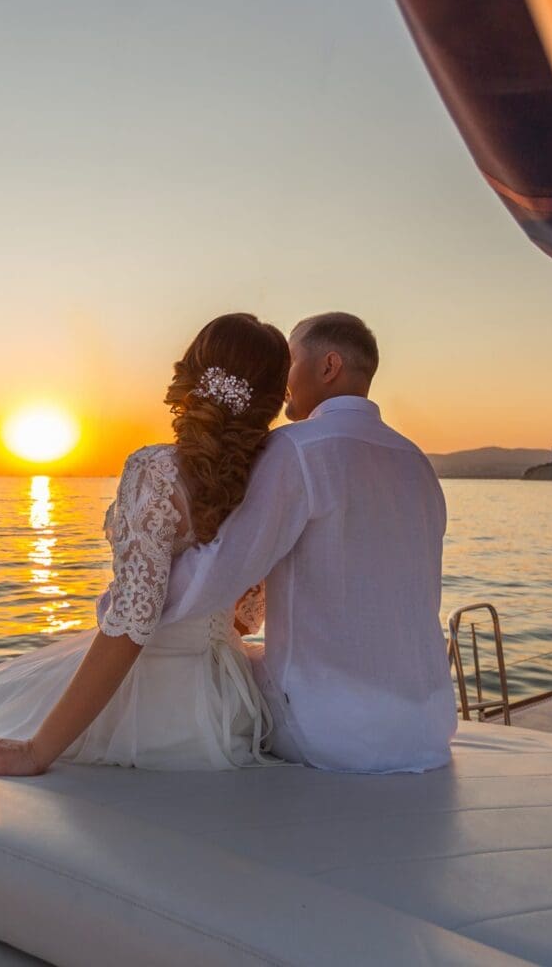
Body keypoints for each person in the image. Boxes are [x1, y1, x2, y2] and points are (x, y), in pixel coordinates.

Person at [0, 313, 290, 773]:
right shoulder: (276, 480)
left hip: (157, 704)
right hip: (228, 701)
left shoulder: (157, 471)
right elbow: (246, 618)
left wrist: (36, 750)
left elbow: (131, 626)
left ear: (192, 375)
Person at [158, 311, 454, 772]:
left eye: (290, 360)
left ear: (328, 366)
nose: (282, 378)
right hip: (429, 727)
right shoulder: (416, 462)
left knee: (188, 670)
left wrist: (141, 595)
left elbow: (221, 573)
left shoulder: (297, 449)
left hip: (329, 730)